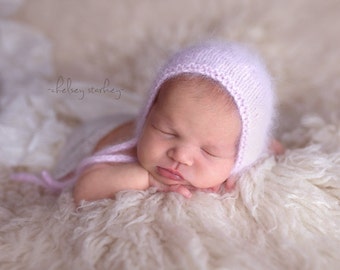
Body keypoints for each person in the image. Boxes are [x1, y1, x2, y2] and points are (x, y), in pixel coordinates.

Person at [12, 40, 284, 204]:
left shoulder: (244, 146)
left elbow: (267, 147)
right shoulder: (129, 155)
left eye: (209, 151)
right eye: (166, 131)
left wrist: (267, 149)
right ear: (149, 113)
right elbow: (84, 189)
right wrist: (146, 178)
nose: (180, 155)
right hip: (95, 135)